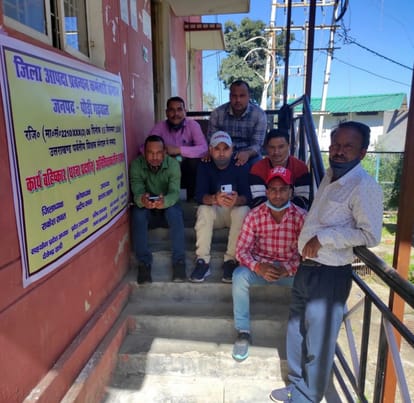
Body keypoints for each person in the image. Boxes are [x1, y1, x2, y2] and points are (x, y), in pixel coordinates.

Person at [269, 121, 383, 403]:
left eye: (348, 146)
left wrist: (325, 238)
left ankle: (310, 395)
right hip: (307, 267)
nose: (339, 151)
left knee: (318, 340)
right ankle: (297, 384)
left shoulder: (364, 186)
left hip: (330, 273)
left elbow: (370, 235)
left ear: (363, 152)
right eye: (335, 145)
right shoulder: (330, 174)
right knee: (296, 329)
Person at [232, 167, 307, 362]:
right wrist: (258, 267)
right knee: (239, 276)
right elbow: (241, 251)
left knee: (310, 278)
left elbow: (306, 255)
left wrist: (287, 269)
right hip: (261, 269)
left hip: (289, 272)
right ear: (266, 191)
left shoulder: (302, 217)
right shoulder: (254, 215)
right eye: (273, 189)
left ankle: (304, 331)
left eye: (283, 189)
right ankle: (243, 332)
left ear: (291, 191)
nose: (278, 194)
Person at [190, 131, 251, 283]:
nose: (222, 153)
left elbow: (249, 197)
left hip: (233, 214)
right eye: (217, 149)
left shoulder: (241, 165)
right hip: (215, 213)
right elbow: (199, 195)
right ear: (210, 150)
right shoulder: (204, 166)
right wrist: (214, 199)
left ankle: (231, 260)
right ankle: (203, 261)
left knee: (244, 210)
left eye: (226, 149)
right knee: (203, 209)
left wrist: (237, 200)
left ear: (232, 149)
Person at [130, 135, 186, 283]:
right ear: (144, 153)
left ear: (165, 152)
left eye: (158, 153)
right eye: (150, 153)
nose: (155, 157)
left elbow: (174, 193)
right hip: (148, 211)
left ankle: (179, 262)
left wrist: (164, 202)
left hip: (167, 210)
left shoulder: (173, 165)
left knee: (175, 212)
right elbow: (137, 191)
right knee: (138, 213)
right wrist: (143, 200)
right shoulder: (136, 165)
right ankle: (144, 263)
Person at [146, 96, 208, 200]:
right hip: (167, 163)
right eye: (172, 110)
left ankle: (192, 197)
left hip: (186, 162)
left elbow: (203, 148)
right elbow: (145, 147)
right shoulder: (160, 126)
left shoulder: (193, 125)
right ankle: (164, 196)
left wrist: (178, 150)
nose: (176, 114)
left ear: (185, 112)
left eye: (179, 110)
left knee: (194, 163)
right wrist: (163, 155)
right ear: (166, 113)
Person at [208, 79, 267, 167]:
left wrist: (247, 154)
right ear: (229, 96)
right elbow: (212, 140)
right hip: (223, 152)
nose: (238, 100)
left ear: (249, 96)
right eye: (234, 96)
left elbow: (257, 144)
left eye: (242, 96)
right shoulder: (217, 114)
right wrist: (225, 153)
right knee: (205, 163)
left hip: (249, 154)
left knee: (258, 165)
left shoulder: (259, 115)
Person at [249, 128, 310, 209]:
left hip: (294, 214)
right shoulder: (257, 168)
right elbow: (258, 201)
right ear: (266, 148)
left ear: (288, 146)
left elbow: (303, 201)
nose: (276, 152)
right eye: (272, 147)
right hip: (264, 214)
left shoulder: (300, 167)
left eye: (281, 147)